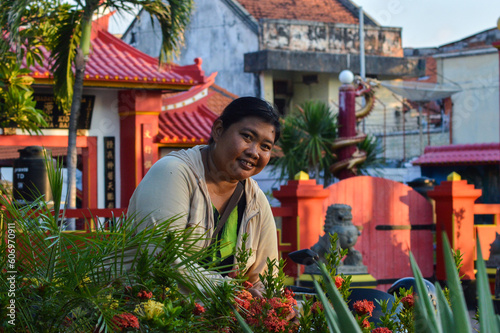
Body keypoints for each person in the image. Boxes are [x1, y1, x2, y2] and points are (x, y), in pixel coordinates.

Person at [127, 96, 281, 298]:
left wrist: (268, 297)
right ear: (218, 130)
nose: (254, 152)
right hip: (150, 312)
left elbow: (266, 277)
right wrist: (234, 291)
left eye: (265, 146)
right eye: (247, 137)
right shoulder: (173, 173)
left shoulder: (255, 200)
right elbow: (163, 261)